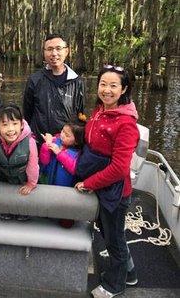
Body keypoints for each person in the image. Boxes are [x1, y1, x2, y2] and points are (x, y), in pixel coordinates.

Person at [74, 65, 139, 298]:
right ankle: (129, 273)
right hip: (100, 187)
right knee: (109, 232)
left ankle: (115, 285)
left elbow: (120, 168)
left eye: (113, 85)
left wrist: (88, 183)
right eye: (103, 84)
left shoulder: (126, 124)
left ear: (124, 89)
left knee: (114, 240)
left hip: (115, 191)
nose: (107, 90)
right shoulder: (100, 110)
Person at [0, 103, 39, 220]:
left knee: (23, 194)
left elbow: (33, 166)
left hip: (23, 176)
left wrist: (31, 183)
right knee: (5, 194)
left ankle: (23, 211)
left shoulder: (30, 142)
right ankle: (6, 210)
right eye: (5, 125)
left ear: (21, 125)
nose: (10, 129)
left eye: (15, 124)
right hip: (4, 174)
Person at [23, 33, 85, 147]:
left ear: (67, 51)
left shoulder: (76, 81)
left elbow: (80, 115)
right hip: (40, 142)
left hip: (66, 144)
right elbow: (27, 113)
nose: (54, 53)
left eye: (58, 48)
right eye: (49, 49)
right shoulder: (35, 80)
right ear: (44, 52)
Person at [39, 116, 86, 187]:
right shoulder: (55, 140)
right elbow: (44, 161)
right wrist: (47, 144)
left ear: (76, 141)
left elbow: (73, 169)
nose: (62, 135)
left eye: (67, 135)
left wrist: (59, 153)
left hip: (64, 187)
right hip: (48, 180)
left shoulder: (78, 153)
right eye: (63, 131)